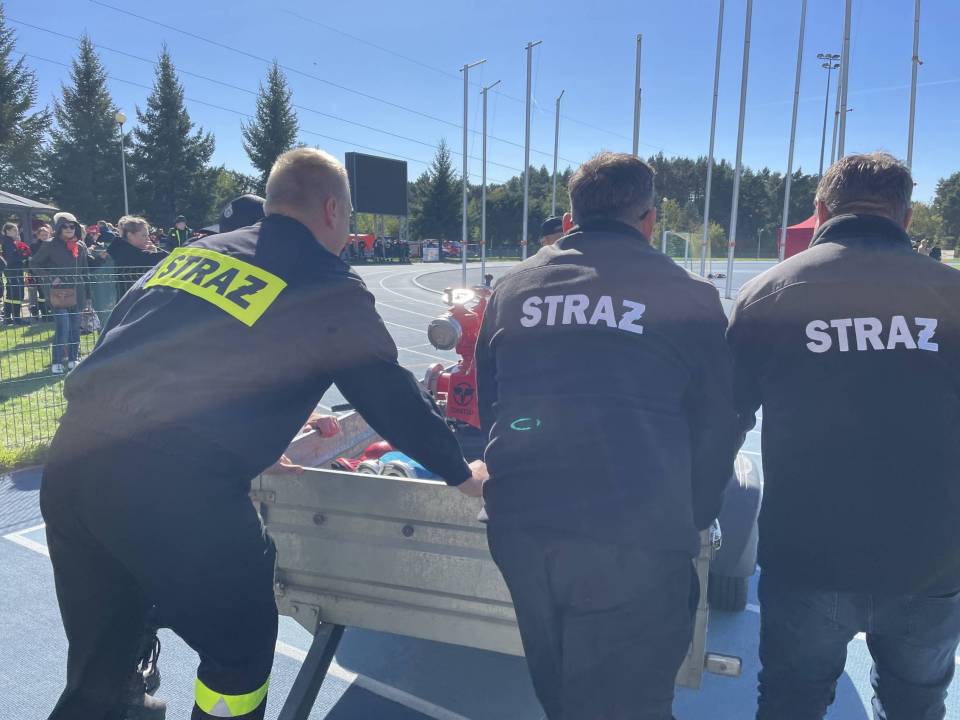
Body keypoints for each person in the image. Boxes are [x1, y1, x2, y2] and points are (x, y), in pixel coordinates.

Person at [40, 147, 486, 720]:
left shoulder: (192, 254)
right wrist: (461, 472)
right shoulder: (326, 281)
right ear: (333, 210)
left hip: (74, 460)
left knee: (101, 652)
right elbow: (388, 393)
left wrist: (254, 438)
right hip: (174, 488)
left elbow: (142, 347)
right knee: (241, 649)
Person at [474, 151, 739, 720]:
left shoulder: (513, 288)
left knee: (560, 687)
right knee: (634, 700)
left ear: (571, 219)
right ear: (649, 220)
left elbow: (492, 405)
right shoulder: (688, 296)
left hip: (524, 529)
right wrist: (693, 512)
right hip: (633, 533)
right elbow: (721, 423)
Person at [727, 152, 960, 720]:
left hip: (808, 555)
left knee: (790, 704)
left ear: (821, 209)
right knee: (916, 706)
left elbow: (723, 419)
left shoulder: (770, 292)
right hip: (930, 558)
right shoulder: (951, 294)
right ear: (906, 217)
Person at [31, 213, 89, 374]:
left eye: (72, 226)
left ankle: (73, 359)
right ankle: (56, 361)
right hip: (58, 293)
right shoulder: (49, 244)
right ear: (58, 228)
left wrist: (89, 296)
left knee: (75, 328)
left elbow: (85, 270)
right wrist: (50, 277)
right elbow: (34, 263)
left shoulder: (81, 245)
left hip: (78, 292)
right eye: (65, 226)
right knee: (63, 327)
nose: (69, 229)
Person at [108, 216, 169, 299]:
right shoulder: (126, 253)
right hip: (131, 302)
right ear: (130, 235)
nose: (148, 239)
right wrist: (155, 252)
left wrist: (153, 251)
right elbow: (154, 258)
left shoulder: (121, 249)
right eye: (144, 235)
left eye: (148, 235)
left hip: (132, 300)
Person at [2, 221, 31, 325]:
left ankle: (7, 317)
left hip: (13, 271)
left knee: (11, 294)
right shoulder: (8, 242)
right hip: (13, 270)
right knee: (17, 293)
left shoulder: (8, 241)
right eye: (14, 230)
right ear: (7, 231)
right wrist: (24, 256)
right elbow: (12, 258)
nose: (17, 232)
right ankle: (17, 318)